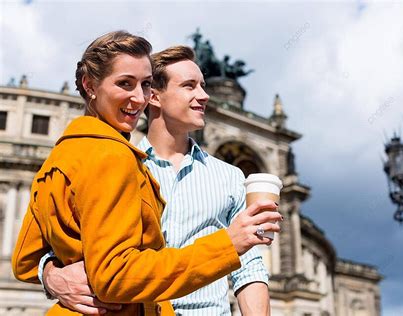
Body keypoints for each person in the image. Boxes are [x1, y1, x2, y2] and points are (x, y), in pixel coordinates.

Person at [12, 31, 282, 316]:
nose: (204, 96)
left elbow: (25, 258)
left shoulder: (62, 155)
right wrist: (52, 275)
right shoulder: (120, 159)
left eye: (143, 84)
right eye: (189, 86)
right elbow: (115, 275)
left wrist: (47, 272)